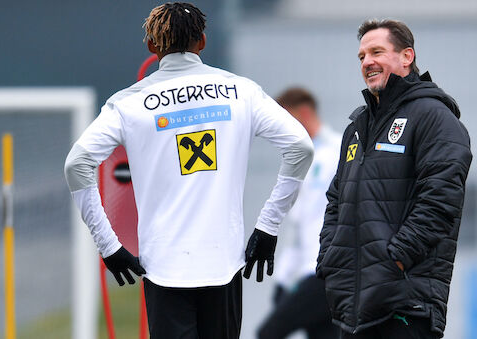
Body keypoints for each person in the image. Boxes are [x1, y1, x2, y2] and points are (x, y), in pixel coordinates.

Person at [64, 3, 314, 339]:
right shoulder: (241, 91)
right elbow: (300, 146)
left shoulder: (128, 103)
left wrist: (109, 246)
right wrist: (268, 226)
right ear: (203, 42)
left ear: (152, 47)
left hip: (164, 268)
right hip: (223, 263)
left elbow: (76, 165)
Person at [316, 19, 472, 339]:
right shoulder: (357, 127)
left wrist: (396, 260)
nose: (367, 62)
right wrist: (329, 259)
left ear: (407, 57)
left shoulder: (433, 116)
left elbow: (441, 199)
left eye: (377, 52)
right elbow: (336, 199)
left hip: (405, 305)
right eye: (361, 57)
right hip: (354, 308)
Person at [257, 88, 340, 339]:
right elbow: (299, 228)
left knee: (269, 332)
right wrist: (282, 279)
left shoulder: (340, 151)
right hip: (308, 270)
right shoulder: (301, 159)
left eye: (285, 120)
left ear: (303, 114)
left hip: (330, 270)